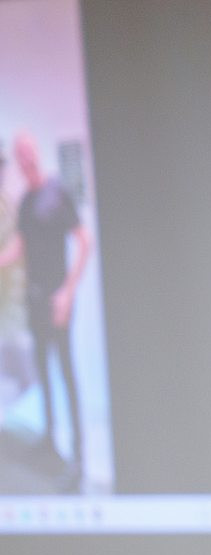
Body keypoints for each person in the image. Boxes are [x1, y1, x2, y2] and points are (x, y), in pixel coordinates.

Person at [0, 131, 90, 482]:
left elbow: (84, 242)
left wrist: (68, 292)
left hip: (58, 301)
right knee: (43, 371)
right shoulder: (25, 202)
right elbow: (19, 247)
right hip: (34, 301)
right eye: (19, 155)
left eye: (28, 152)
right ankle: (50, 437)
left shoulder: (58, 192)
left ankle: (79, 456)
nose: (24, 159)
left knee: (67, 373)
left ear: (36, 152)